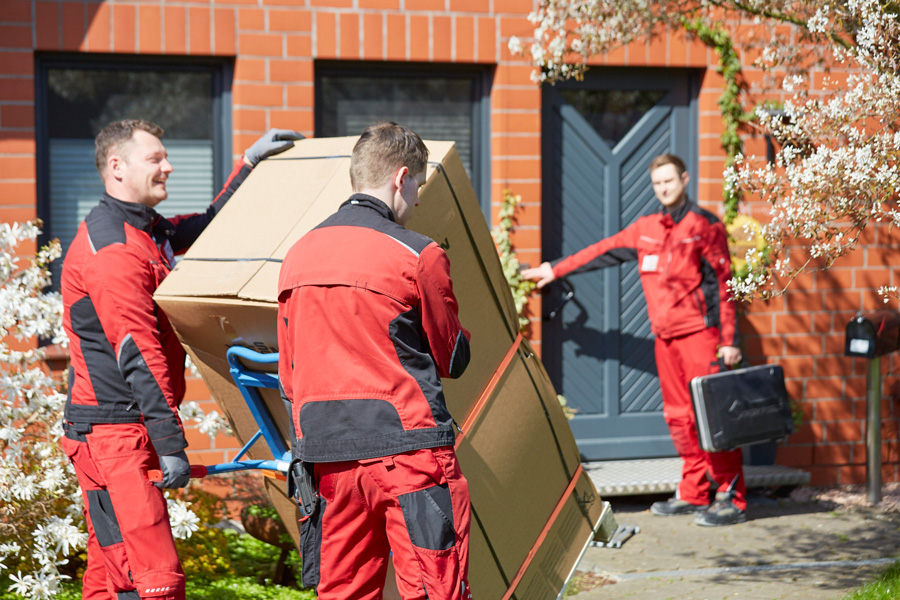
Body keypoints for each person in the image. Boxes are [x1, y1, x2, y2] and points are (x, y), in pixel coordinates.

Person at [60, 119, 302, 599]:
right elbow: (138, 353)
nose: (168, 166)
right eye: (155, 159)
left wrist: (248, 165)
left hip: (122, 426)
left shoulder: (145, 229)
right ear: (117, 167)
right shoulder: (114, 250)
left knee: (112, 576)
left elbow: (202, 225)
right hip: (114, 435)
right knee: (153, 579)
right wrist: (171, 443)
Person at [277, 121, 473, 598]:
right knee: (433, 589)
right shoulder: (418, 253)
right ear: (401, 177)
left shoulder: (296, 256)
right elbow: (453, 357)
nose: (419, 200)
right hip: (409, 453)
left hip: (326, 460)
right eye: (420, 186)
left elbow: (289, 374)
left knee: (342, 592)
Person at [522, 153, 747, 527]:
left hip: (701, 337)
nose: (663, 188)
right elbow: (603, 250)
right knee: (679, 418)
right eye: (658, 183)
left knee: (713, 415)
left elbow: (724, 286)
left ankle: (731, 496)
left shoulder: (705, 225)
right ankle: (694, 492)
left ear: (685, 179)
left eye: (669, 181)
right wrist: (554, 269)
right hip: (665, 340)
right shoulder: (647, 229)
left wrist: (730, 340)